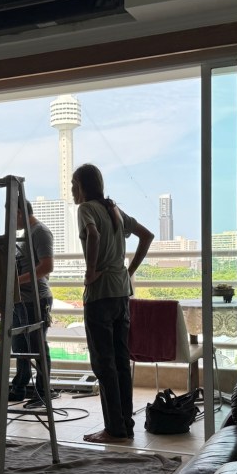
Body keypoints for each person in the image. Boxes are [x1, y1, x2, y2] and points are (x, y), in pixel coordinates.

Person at [71, 163, 154, 443]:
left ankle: (113, 429)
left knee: (103, 363)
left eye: (73, 185)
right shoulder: (113, 209)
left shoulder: (86, 209)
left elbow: (93, 235)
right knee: (120, 361)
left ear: (82, 186)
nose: (72, 191)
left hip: (100, 295)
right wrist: (129, 271)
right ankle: (125, 424)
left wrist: (90, 271)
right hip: (121, 293)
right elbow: (147, 236)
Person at [9, 200, 55, 406]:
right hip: (20, 299)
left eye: (11, 214)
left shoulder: (40, 232)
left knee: (37, 346)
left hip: (36, 298)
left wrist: (15, 282)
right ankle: (19, 388)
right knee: (20, 347)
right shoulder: (25, 234)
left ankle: (43, 392)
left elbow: (46, 267)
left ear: (19, 212)